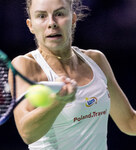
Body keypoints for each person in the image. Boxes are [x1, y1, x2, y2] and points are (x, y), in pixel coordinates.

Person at [8, 0, 136, 149]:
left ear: (73, 18)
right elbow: (27, 133)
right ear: (31, 25)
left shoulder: (96, 60)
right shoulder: (26, 66)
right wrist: (59, 101)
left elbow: (129, 122)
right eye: (42, 16)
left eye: (60, 14)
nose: (52, 23)